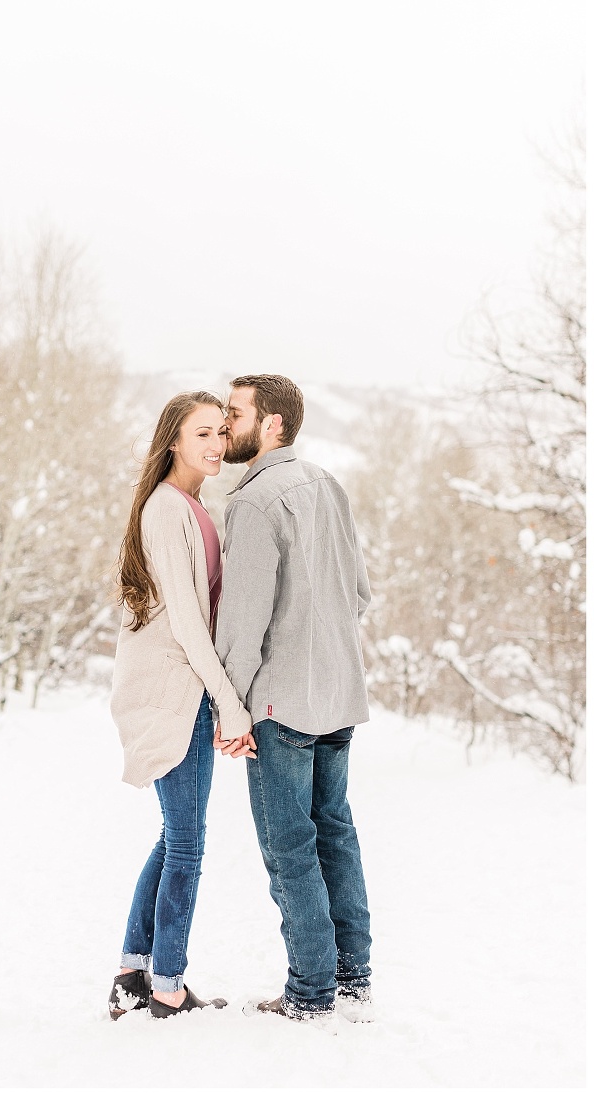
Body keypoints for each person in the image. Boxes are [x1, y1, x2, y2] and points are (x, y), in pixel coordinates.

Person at [213, 374, 373, 1023]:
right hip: (339, 694)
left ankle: (309, 993)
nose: (226, 426)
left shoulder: (252, 503)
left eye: (235, 413)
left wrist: (233, 705)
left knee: (290, 848)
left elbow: (243, 624)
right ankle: (352, 980)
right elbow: (359, 593)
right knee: (335, 835)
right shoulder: (327, 485)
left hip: (281, 705)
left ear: (272, 423)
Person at [107, 391, 255, 1021]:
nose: (217, 444)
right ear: (173, 439)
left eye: (221, 432)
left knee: (175, 838)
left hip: (186, 691)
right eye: (202, 434)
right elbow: (191, 624)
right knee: (188, 843)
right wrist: (231, 704)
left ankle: (132, 975)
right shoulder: (170, 510)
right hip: (175, 695)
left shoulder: (192, 507)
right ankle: (166, 987)